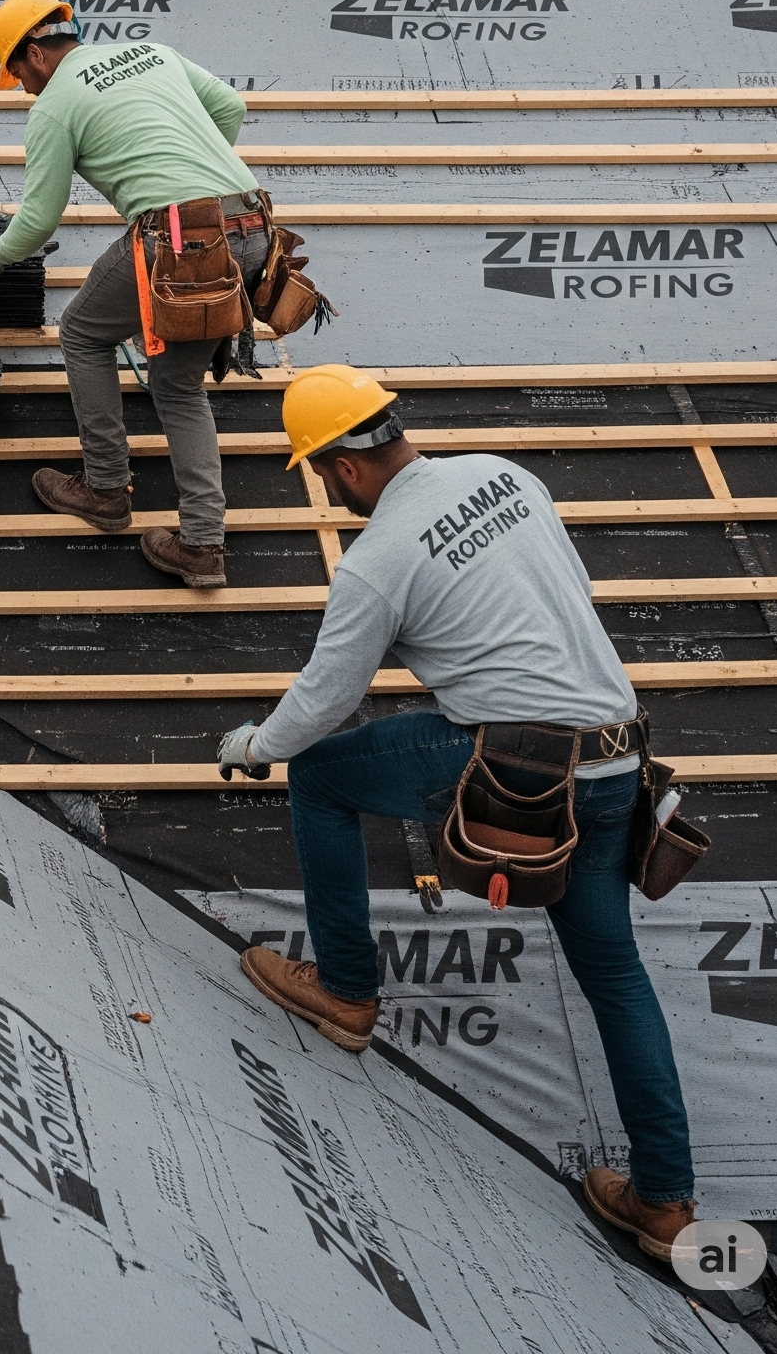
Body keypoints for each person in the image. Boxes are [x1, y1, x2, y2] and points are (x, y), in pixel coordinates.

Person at [220, 364, 697, 1261]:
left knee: (317, 774)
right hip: (617, 758)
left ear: (342, 466)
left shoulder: (375, 564)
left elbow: (326, 697)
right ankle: (666, 1202)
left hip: (519, 766)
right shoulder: (504, 475)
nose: (330, 491)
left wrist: (255, 745)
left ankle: (347, 992)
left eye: (322, 475)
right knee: (615, 974)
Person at [0, 0, 265, 585]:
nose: (23, 89)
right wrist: (192, 173)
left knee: (81, 332)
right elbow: (230, 106)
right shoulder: (153, 53)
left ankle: (104, 489)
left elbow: (39, 220)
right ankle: (202, 546)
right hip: (252, 226)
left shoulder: (54, 107)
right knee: (177, 385)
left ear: (35, 54)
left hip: (179, 241)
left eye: (18, 74)